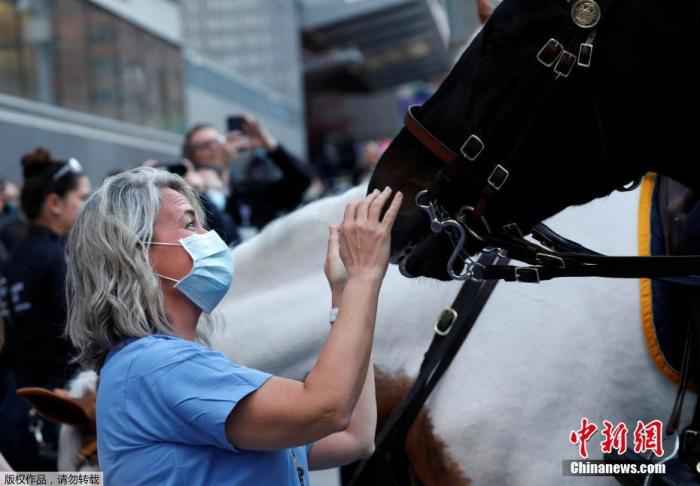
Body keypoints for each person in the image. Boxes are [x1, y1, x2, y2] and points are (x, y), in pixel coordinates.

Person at [65, 166, 402, 484]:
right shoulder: (153, 365)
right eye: (189, 224)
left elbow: (354, 437)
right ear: (136, 254)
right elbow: (326, 408)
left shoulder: (163, 364)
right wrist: (364, 277)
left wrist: (345, 293)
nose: (209, 236)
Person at [0, 148, 91, 468]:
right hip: (56, 411)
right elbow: (78, 337)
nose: (86, 206)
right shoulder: (55, 259)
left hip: (19, 406)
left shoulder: (16, 257)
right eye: (82, 198)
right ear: (54, 203)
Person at [182, 116, 312, 231]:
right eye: (204, 145)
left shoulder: (249, 192)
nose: (213, 148)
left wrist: (269, 144)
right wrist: (205, 195)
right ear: (191, 156)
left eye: (217, 141)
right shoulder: (188, 197)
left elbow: (301, 180)